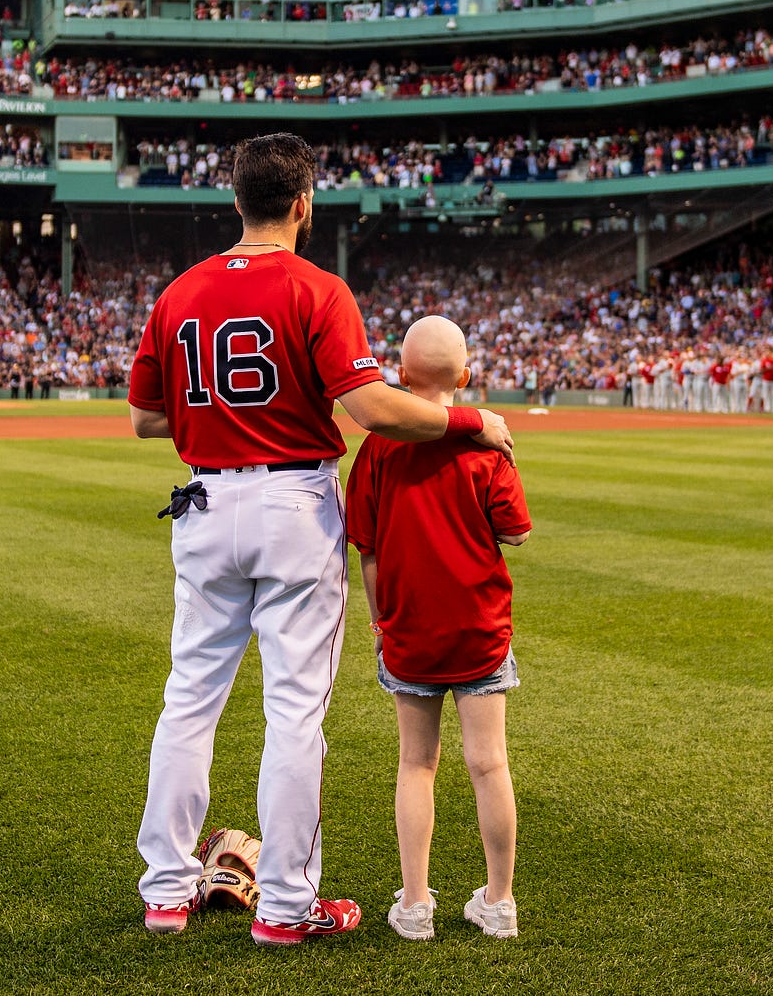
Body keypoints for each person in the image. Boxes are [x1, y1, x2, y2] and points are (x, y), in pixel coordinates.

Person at [126, 131, 513, 946]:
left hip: (203, 498)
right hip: (292, 501)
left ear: (236, 201)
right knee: (294, 709)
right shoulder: (318, 287)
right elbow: (373, 409)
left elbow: (145, 418)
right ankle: (286, 907)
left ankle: (164, 890)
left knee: (189, 697)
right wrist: (468, 420)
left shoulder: (180, 291)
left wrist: (219, 417)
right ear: (304, 203)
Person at [345, 315, 531, 943]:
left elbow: (365, 549)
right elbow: (515, 530)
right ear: (467, 374)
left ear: (400, 375)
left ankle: (417, 904)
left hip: (409, 631)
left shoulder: (378, 449)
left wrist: (379, 619)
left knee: (416, 764)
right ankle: (499, 903)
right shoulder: (486, 444)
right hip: (479, 627)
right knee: (490, 764)